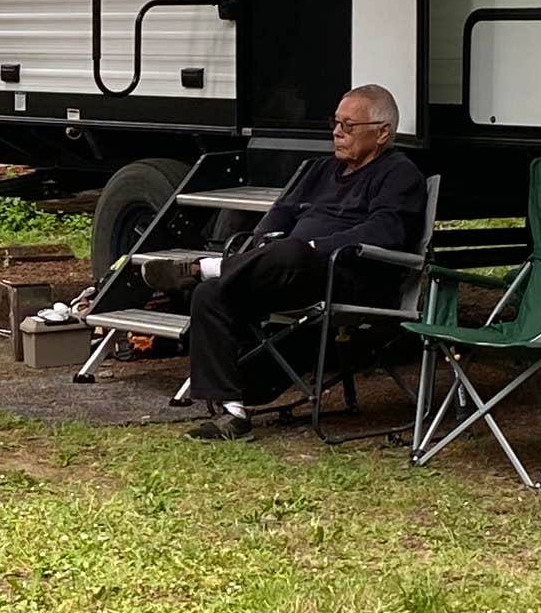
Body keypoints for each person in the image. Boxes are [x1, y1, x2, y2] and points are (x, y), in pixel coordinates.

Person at [178, 86, 424, 437]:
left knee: (293, 250)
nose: (337, 132)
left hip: (352, 278)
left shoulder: (399, 174)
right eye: (335, 123)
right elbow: (279, 215)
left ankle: (209, 267)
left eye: (349, 126)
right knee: (211, 295)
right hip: (289, 274)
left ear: (382, 132)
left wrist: (313, 246)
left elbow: (386, 232)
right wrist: (263, 244)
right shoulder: (319, 169)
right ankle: (233, 411)